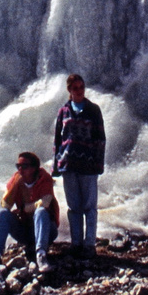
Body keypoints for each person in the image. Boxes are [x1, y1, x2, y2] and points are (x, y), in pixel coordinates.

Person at [53, 74, 105, 258]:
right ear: (69, 90)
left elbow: (100, 139)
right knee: (74, 206)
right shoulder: (64, 111)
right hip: (68, 165)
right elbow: (58, 140)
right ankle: (76, 243)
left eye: (82, 87)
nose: (80, 90)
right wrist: (56, 165)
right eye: (75, 88)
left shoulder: (93, 110)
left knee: (89, 206)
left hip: (88, 165)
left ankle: (89, 244)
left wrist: (99, 164)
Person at [0, 152, 60, 273]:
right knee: (3, 213)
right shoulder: (16, 180)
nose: (20, 170)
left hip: (47, 230)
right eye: (18, 166)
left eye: (24, 166)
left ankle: (41, 255)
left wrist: (23, 209)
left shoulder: (45, 179)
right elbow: (5, 205)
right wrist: (15, 186)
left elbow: (44, 203)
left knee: (41, 211)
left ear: (34, 168)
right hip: (25, 230)